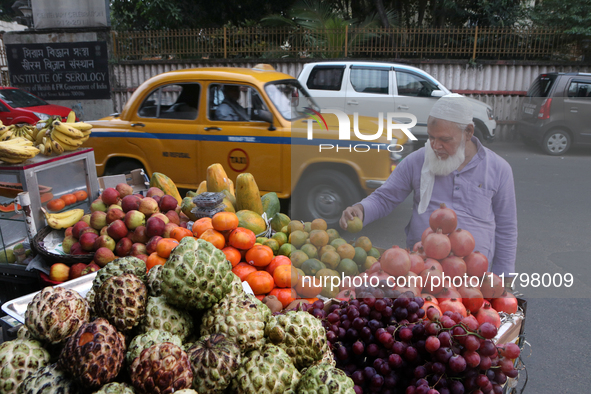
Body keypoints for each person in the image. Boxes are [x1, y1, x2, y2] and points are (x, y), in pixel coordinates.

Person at [339, 95, 517, 278]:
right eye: (432, 137)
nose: (435, 146)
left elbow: (506, 228)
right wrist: (360, 208)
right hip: (420, 272)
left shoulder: (499, 169)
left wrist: (504, 278)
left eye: (445, 139)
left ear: (469, 132)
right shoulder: (418, 160)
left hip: (473, 278)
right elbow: (385, 197)